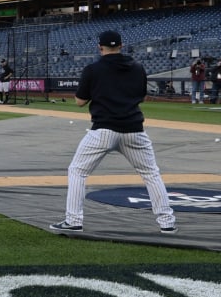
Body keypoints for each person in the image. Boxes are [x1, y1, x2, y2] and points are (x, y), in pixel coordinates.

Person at [51, 29, 176, 235]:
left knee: (78, 171)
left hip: (104, 129)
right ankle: (167, 222)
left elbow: (80, 102)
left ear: (100, 47)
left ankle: (73, 220)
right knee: (151, 174)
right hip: (134, 129)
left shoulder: (93, 69)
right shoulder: (137, 67)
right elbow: (141, 97)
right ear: (121, 45)